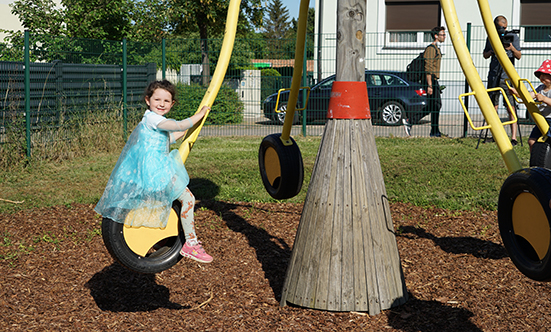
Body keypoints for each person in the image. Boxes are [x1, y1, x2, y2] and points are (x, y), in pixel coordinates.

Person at [94, 80, 213, 264]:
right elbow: (176, 126)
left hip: (153, 171)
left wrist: (191, 128)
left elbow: (170, 137)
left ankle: (162, 239)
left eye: (166, 101)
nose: (162, 103)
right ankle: (191, 243)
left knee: (162, 201)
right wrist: (199, 115)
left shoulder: (153, 121)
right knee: (188, 199)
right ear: (148, 100)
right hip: (157, 172)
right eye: (157, 99)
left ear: (172, 104)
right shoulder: (153, 118)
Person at [483, 15, 522, 145]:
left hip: (507, 77)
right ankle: (495, 135)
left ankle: (514, 137)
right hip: (494, 75)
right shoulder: (491, 37)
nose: (503, 31)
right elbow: (485, 55)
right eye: (500, 28)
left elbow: (519, 56)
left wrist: (511, 48)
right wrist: (493, 51)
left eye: (504, 27)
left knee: (510, 106)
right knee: (493, 106)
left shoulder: (512, 37)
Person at [403, 26, 446, 137]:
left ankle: (432, 130)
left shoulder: (436, 48)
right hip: (429, 80)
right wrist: (430, 85)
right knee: (436, 105)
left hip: (433, 79)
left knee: (434, 106)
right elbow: (428, 68)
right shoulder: (431, 49)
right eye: (442, 34)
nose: (444, 36)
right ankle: (432, 130)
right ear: (436, 36)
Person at [510, 60, 551, 151]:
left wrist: (544, 99)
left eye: (545, 75)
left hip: (550, 120)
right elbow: (530, 96)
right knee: (531, 141)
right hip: (542, 120)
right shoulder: (540, 88)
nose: (542, 78)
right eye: (541, 76)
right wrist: (517, 94)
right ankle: (535, 160)